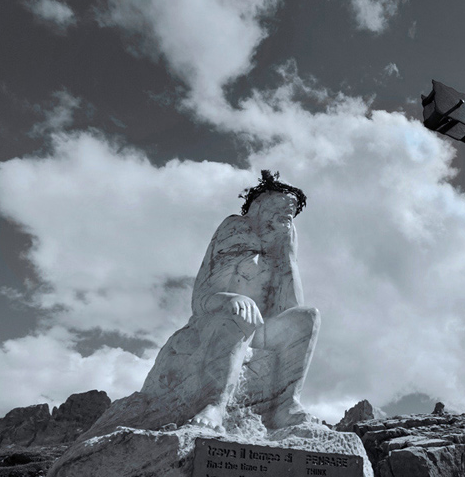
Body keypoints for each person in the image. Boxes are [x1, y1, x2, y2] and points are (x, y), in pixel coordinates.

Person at [82, 171, 319, 439]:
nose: (287, 216)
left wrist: (288, 255)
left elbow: (290, 308)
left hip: (258, 331)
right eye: (280, 208)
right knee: (236, 318)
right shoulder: (235, 230)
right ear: (261, 206)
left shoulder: (280, 247)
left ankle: (286, 403)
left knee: (308, 316)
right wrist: (233, 299)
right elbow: (202, 298)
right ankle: (215, 405)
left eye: (290, 214)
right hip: (217, 322)